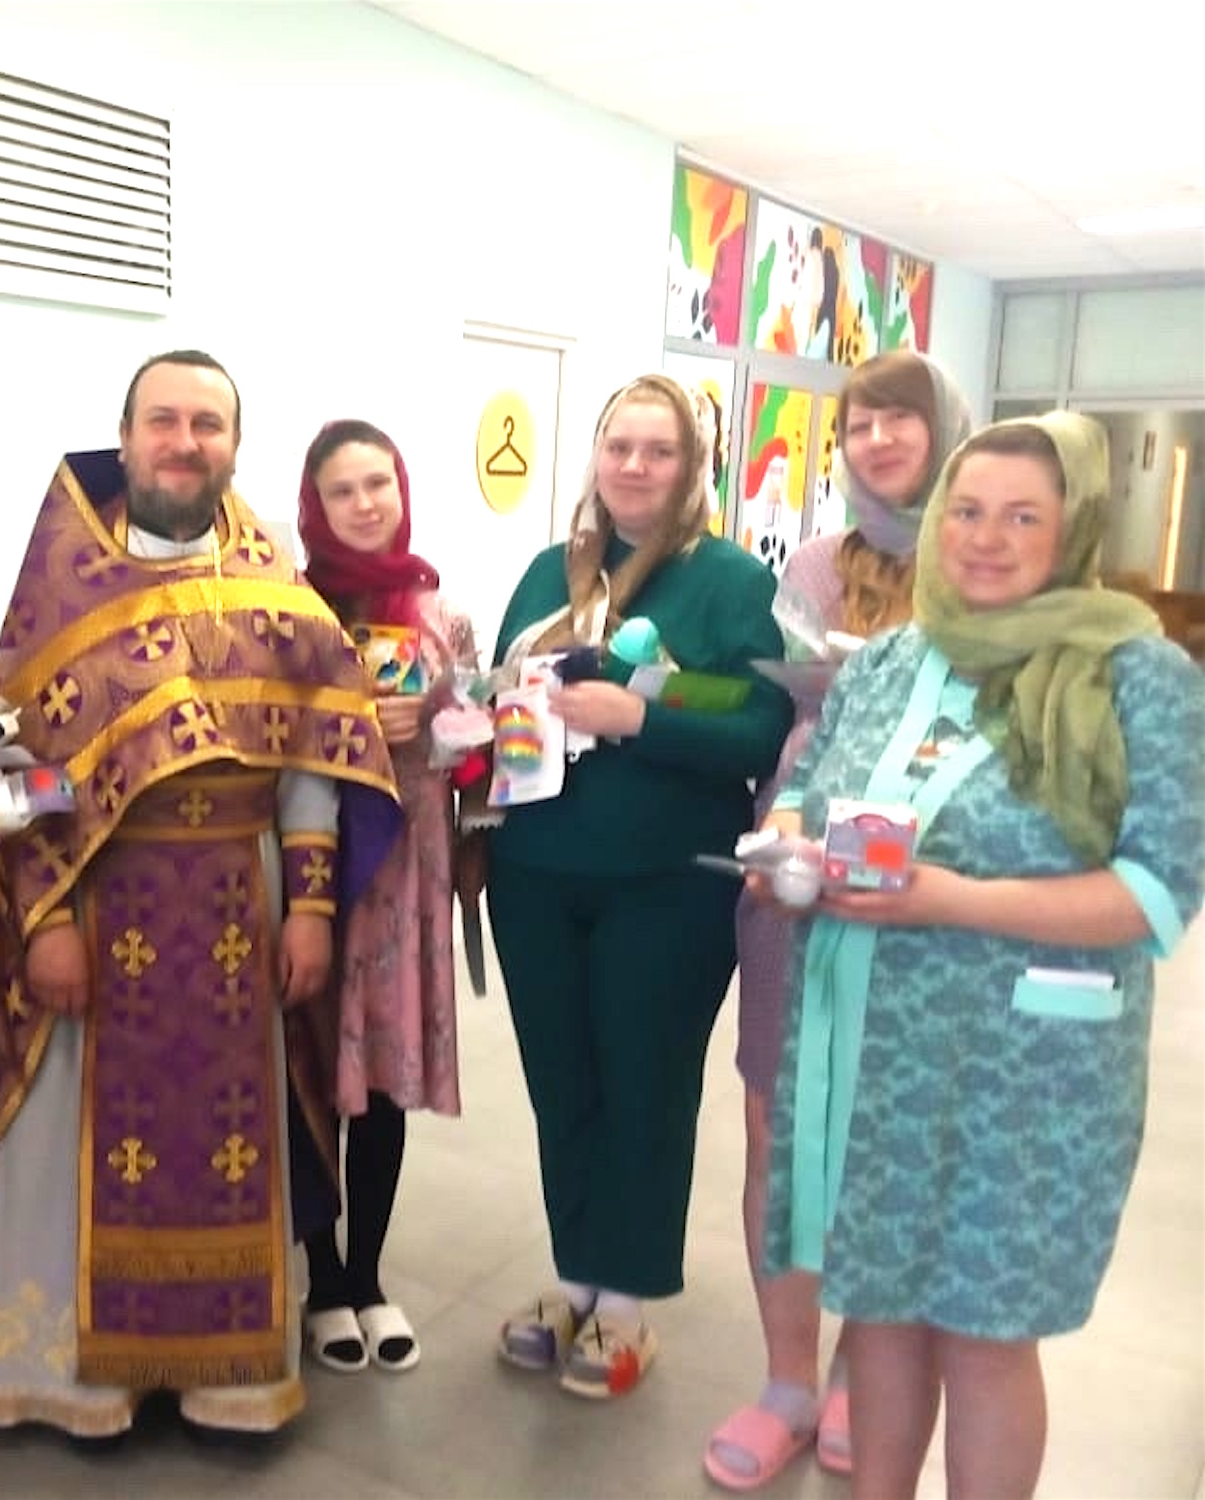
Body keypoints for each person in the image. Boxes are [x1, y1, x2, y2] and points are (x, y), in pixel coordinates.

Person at [0, 350, 401, 1439]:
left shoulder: (277, 592)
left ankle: (228, 1375)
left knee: (236, 1144)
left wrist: (311, 907)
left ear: (234, 446)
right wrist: (43, 921)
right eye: (162, 421)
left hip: (242, 905)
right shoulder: (62, 588)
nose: (183, 442)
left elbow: (314, 758)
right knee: (64, 1143)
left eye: (207, 424)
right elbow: (9, 771)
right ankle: (76, 1382)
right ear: (124, 439)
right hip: (95, 905)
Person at [757, 412, 1204, 1500]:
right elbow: (807, 792)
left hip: (1028, 1077)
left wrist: (954, 899)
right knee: (880, 1315)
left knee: (984, 1335)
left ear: (1075, 528)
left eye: (1021, 517)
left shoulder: (1133, 675)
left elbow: (1157, 890)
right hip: (877, 1054)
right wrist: (786, 848)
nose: (984, 538)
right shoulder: (891, 658)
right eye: (965, 510)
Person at [484, 372, 791, 1399]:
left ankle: (623, 1305)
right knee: (561, 1083)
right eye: (619, 445)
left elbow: (759, 729)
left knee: (643, 1090)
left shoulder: (728, 583)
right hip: (534, 873)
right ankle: (575, 1278)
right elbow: (506, 691)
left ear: (692, 467)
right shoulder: (551, 570)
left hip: (663, 884)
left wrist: (641, 720)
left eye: (659, 450)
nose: (634, 466)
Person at [705, 349, 971, 1489]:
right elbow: (780, 706)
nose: (877, 439)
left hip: (924, 869)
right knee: (777, 1124)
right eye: (859, 422)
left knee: (882, 1132)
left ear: (943, 428)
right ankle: (785, 1379)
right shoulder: (815, 563)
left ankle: (868, 1370)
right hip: (797, 852)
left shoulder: (978, 565)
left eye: (899, 418)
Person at [293, 419, 474, 1373]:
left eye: (379, 484)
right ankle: (321, 1282)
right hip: (318, 864)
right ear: (314, 506)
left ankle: (367, 1274)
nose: (365, 504)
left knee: (380, 1077)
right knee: (315, 1068)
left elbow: (478, 740)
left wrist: (433, 725)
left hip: (408, 867)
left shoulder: (440, 614)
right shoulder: (288, 611)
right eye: (343, 490)